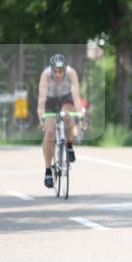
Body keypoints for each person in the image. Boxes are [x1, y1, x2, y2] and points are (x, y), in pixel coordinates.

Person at [37, 54, 84, 188]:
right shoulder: (46, 75)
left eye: (61, 71)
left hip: (65, 98)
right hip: (50, 100)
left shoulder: (71, 73)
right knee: (50, 131)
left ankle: (69, 145)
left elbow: (76, 96)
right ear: (51, 69)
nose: (58, 74)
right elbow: (41, 99)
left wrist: (80, 115)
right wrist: (41, 118)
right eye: (55, 71)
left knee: (68, 116)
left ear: (65, 69)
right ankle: (48, 171)